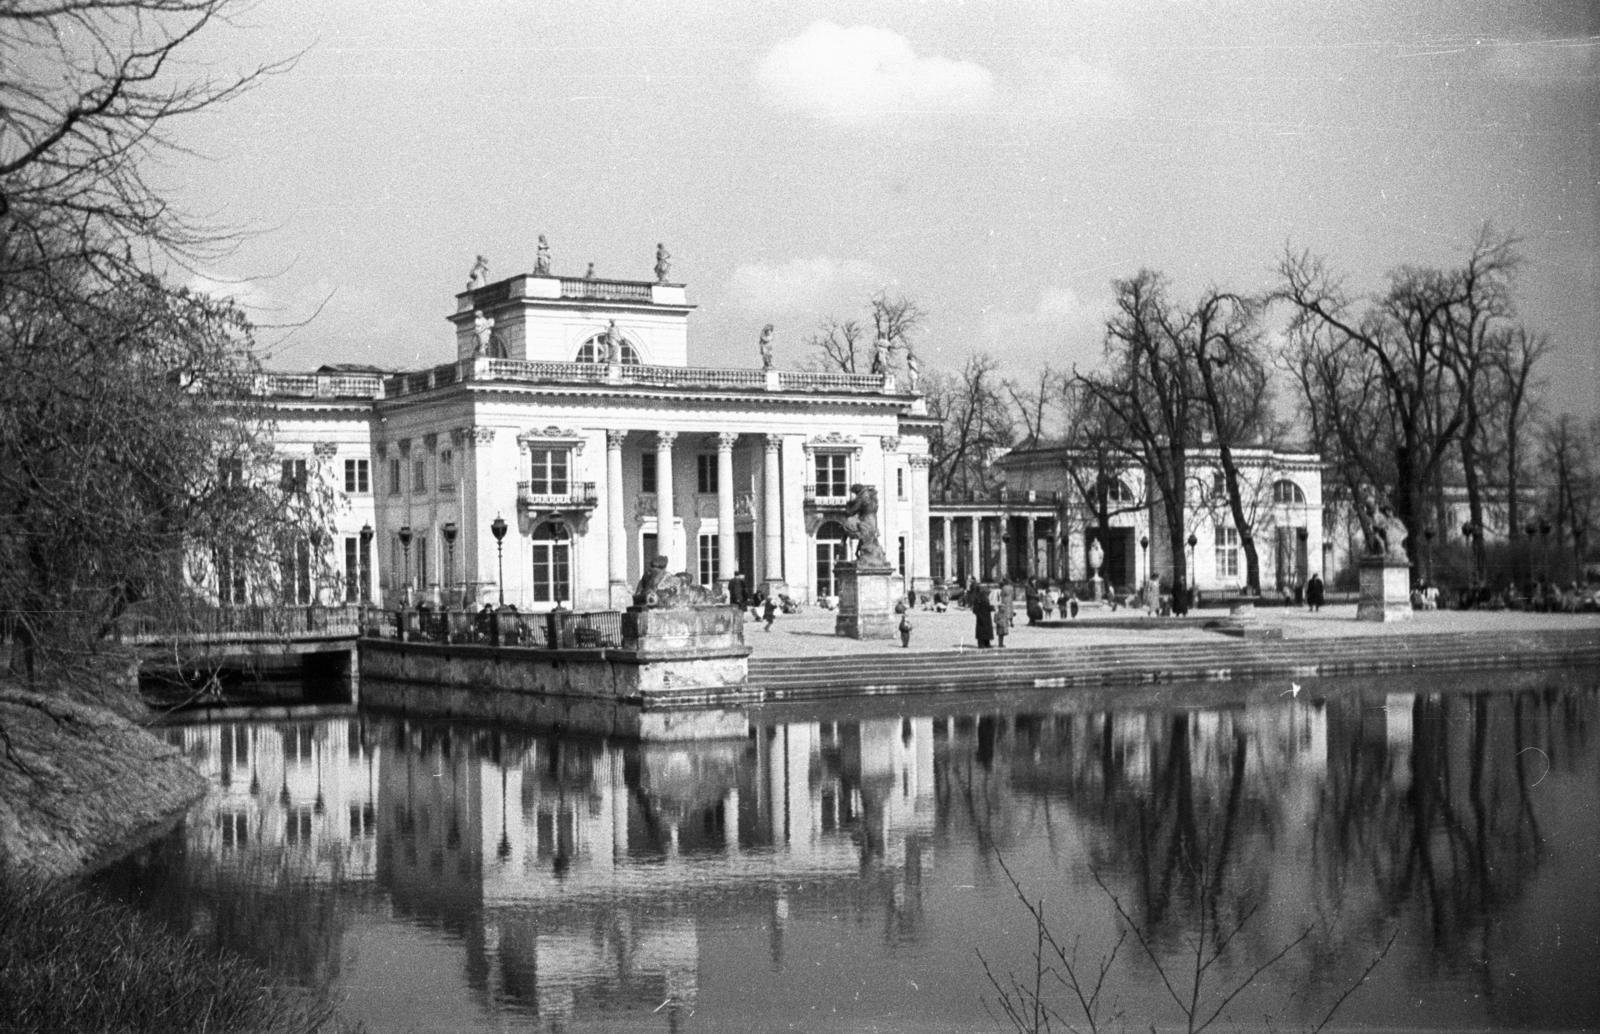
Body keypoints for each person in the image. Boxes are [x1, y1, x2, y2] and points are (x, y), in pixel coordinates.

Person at [995, 579, 1013, 647]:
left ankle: (1005, 620)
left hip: (1005, 600)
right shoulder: (1011, 587)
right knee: (1009, 610)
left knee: (1004, 610)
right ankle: (1010, 621)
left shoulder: (1003, 588)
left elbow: (1001, 594)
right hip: (1010, 599)